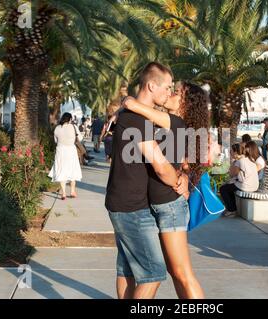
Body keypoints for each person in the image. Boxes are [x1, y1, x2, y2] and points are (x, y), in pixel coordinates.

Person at [105, 62, 188, 299]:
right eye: (168, 87)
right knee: (153, 273)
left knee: (128, 269)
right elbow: (161, 167)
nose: (170, 93)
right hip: (131, 207)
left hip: (123, 202)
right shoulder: (136, 119)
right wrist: (177, 182)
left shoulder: (137, 115)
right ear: (152, 85)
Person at [122, 80, 211, 299]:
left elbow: (134, 105)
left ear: (186, 102)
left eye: (176, 92)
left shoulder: (176, 122)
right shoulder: (172, 122)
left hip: (170, 206)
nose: (170, 93)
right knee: (175, 272)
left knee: (182, 273)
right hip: (160, 204)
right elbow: (188, 163)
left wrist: (125, 104)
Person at [220, 141, 260, 218]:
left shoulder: (239, 161)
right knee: (229, 187)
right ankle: (232, 209)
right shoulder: (249, 159)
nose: (230, 153)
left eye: (231, 151)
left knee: (223, 189)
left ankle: (232, 210)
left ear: (235, 152)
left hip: (246, 186)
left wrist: (232, 161)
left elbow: (232, 174)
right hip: (254, 185)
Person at [48, 112, 82, 200]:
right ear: (70, 119)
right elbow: (80, 138)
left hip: (61, 151)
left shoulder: (57, 128)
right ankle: (72, 191)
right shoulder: (73, 127)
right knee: (72, 170)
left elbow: (56, 140)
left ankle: (63, 193)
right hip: (71, 151)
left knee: (61, 170)